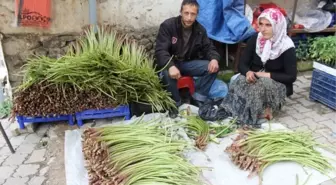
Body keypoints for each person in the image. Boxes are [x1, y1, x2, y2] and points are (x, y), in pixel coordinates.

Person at [222, 8, 297, 127]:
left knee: (256, 87)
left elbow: (291, 77)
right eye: (261, 24)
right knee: (235, 81)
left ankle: (260, 112)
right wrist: (247, 73)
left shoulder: (286, 47)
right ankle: (249, 110)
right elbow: (242, 64)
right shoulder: (256, 39)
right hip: (255, 77)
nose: (263, 29)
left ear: (277, 26)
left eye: (268, 25)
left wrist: (264, 75)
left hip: (277, 82)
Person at [155, 0, 221, 117]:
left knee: (213, 67)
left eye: (193, 14)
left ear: (197, 15)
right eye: (186, 13)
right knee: (166, 73)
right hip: (170, 63)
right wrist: (170, 66)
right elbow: (161, 50)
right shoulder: (168, 26)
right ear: (181, 12)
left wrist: (214, 59)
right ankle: (175, 104)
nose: (189, 18)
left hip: (186, 63)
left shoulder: (200, 30)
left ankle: (197, 98)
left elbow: (209, 48)